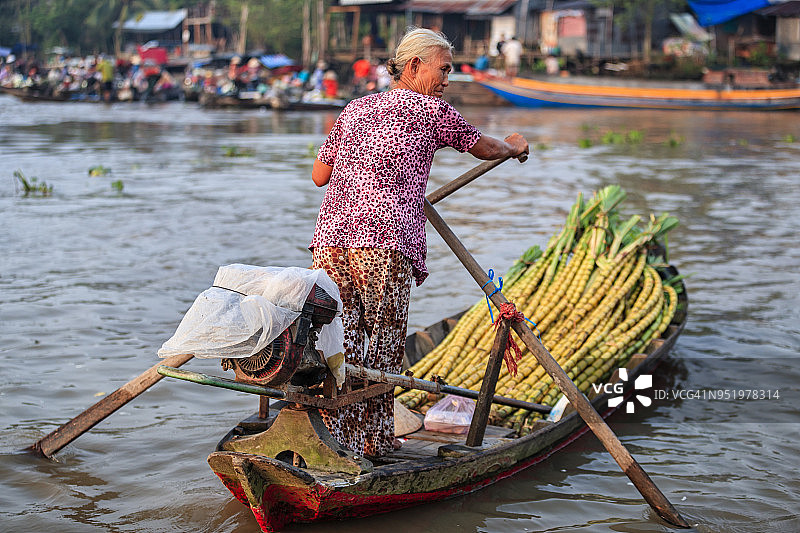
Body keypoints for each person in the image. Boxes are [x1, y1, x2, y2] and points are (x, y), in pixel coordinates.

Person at [308, 27, 528, 458]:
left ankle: (346, 441)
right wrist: (513, 145)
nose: (448, 79)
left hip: (331, 240)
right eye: (444, 69)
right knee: (386, 347)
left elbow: (320, 176)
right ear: (414, 67)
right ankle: (378, 441)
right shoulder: (432, 110)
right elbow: (483, 147)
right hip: (382, 244)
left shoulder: (355, 108)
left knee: (344, 345)